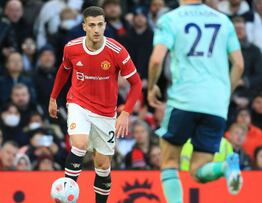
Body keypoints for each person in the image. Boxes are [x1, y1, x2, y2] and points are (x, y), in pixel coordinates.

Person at [147, 0, 244, 201]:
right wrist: (225, 94)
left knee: (169, 162)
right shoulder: (223, 20)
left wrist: (151, 87)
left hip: (185, 99)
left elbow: (157, 59)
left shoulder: (170, 19)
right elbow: (239, 65)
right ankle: (225, 167)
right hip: (216, 105)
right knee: (198, 171)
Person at [48, 6, 142, 203]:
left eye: (100, 24)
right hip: (78, 103)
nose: (96, 29)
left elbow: (136, 83)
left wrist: (125, 113)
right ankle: (67, 196)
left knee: (102, 164)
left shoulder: (116, 51)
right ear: (84, 27)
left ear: (105, 25)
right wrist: (53, 97)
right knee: (80, 144)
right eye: (92, 25)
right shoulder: (72, 48)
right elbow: (64, 70)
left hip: (106, 113)